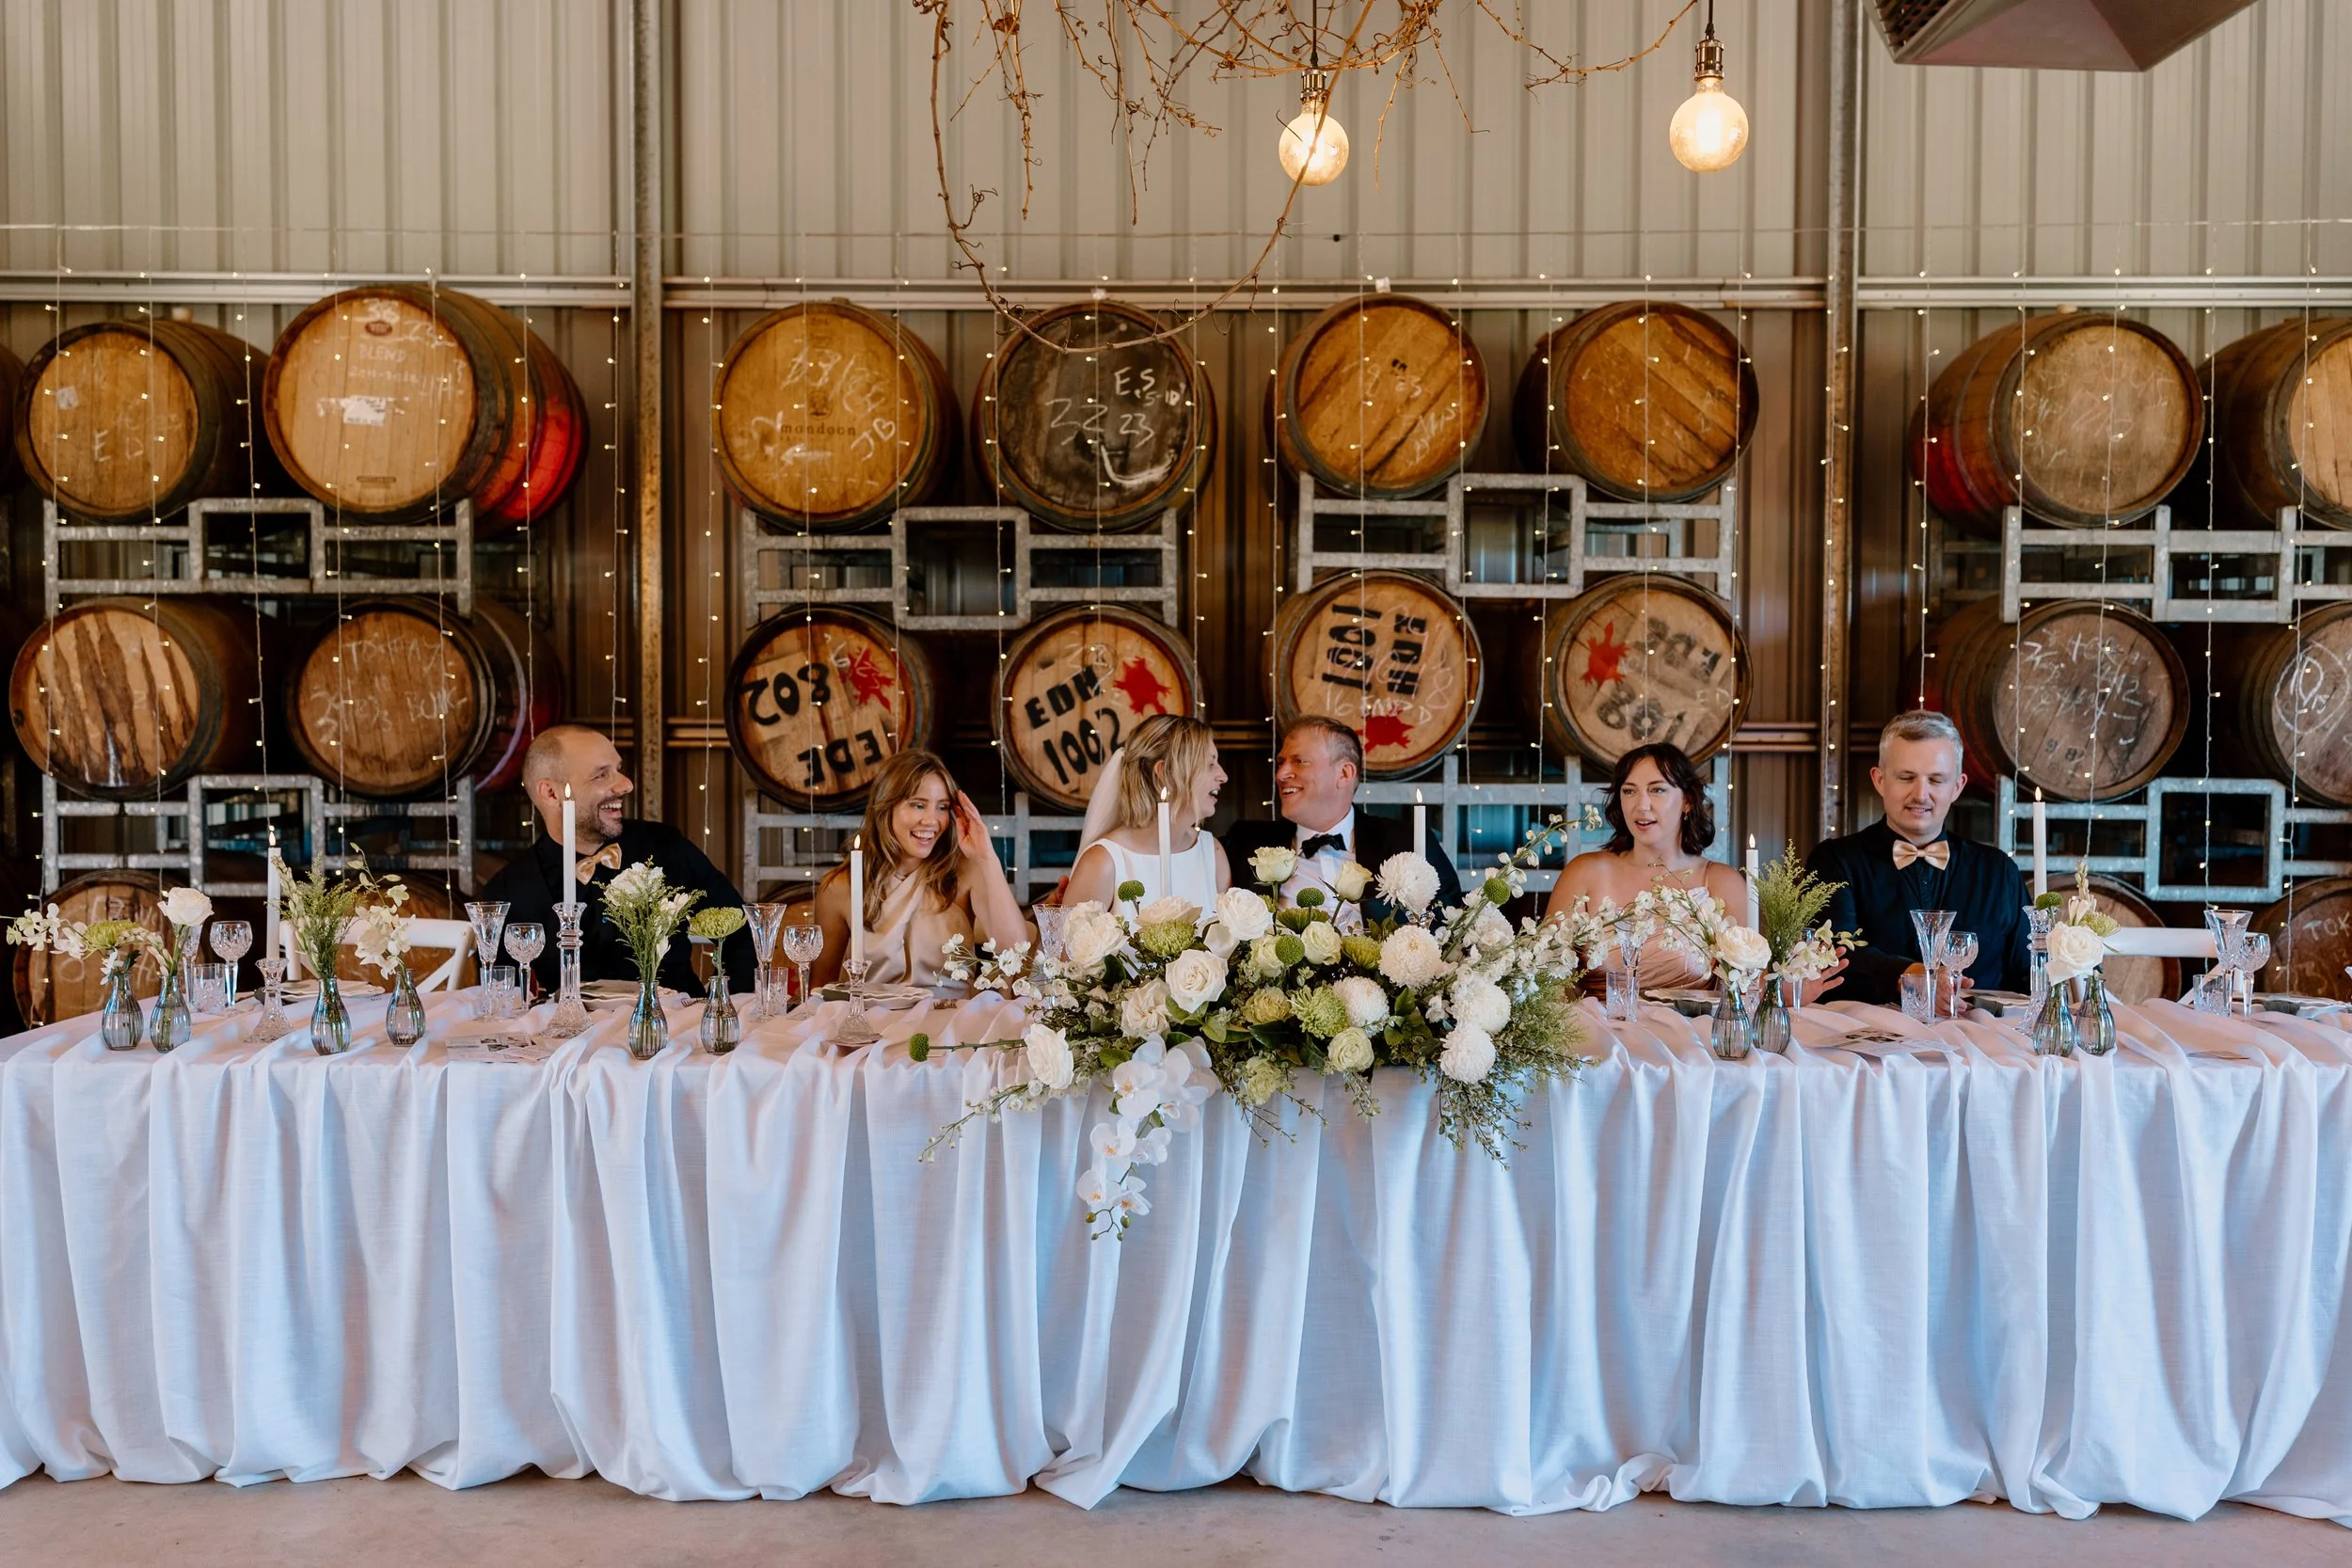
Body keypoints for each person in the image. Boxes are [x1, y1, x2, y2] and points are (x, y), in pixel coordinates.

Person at [483, 724, 755, 994]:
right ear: (552, 794)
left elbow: (742, 931)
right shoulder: (509, 889)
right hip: (576, 1036)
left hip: (677, 1028)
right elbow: (501, 994)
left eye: (618, 769)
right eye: (601, 775)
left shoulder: (666, 847)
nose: (626, 784)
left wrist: (724, 1009)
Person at [1805, 709, 2030, 1008]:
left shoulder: (1999, 871)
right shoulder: (1834, 861)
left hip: (1979, 1046)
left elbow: (2028, 975)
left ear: (1958, 786)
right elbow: (1832, 956)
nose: (1921, 794)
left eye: (1936, 780)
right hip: (1866, 1049)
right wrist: (1908, 975)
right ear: (1880, 780)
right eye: (1906, 778)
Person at [808, 750, 1031, 989]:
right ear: (886, 807)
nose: (931, 821)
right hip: (873, 1021)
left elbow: (1016, 953)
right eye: (918, 805)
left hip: (950, 1021)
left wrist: (987, 857)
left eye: (942, 807)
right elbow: (820, 988)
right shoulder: (840, 887)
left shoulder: (965, 873)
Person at [1220, 717, 1465, 927]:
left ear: (1344, 774)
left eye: (1299, 761)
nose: (1281, 774)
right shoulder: (1245, 843)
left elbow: (1448, 926)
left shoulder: (1406, 843)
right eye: (1282, 762)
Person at [1543, 742, 1751, 987]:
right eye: (1629, 791)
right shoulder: (1584, 872)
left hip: (1693, 1025)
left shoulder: (1721, 882)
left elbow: (1743, 989)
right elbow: (1548, 978)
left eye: (1657, 790)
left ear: (1688, 801)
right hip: (1595, 1023)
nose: (1641, 806)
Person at [1065, 714, 1231, 911]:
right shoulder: (1104, 863)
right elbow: (1066, 942)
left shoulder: (1212, 852)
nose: (1223, 776)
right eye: (1210, 764)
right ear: (1165, 773)